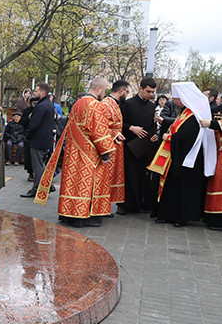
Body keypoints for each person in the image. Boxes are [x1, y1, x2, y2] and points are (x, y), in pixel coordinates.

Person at [34, 77, 115, 228]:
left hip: (73, 152)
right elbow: (98, 132)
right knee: (86, 186)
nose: (104, 94)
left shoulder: (78, 103)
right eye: (104, 91)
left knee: (73, 185)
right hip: (89, 154)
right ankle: (82, 218)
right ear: (99, 89)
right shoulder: (95, 105)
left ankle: (68, 216)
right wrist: (106, 153)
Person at [149, 82, 215, 227]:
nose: (174, 101)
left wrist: (170, 138)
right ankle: (167, 214)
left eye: (176, 98)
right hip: (178, 155)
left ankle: (180, 217)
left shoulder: (194, 114)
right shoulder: (185, 111)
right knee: (172, 186)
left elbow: (189, 136)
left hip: (189, 157)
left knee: (184, 189)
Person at [119, 77, 159, 215]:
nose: (150, 95)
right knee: (129, 175)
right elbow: (118, 124)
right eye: (148, 91)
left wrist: (154, 135)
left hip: (145, 147)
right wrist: (131, 128)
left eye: (153, 92)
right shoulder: (127, 104)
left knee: (143, 175)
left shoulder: (152, 106)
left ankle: (139, 203)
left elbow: (152, 126)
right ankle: (125, 205)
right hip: (129, 145)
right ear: (141, 88)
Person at [99, 80, 129, 214]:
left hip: (116, 146)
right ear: (121, 91)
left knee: (111, 176)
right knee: (106, 176)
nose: (127, 95)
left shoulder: (115, 104)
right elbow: (100, 126)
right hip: (108, 146)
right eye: (127, 92)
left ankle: (105, 207)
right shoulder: (106, 104)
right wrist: (115, 134)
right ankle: (101, 207)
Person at [22, 83, 56, 198]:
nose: (34, 93)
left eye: (36, 91)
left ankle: (36, 188)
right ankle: (49, 185)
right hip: (44, 139)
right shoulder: (48, 104)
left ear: (42, 93)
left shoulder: (41, 106)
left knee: (37, 166)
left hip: (38, 140)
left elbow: (34, 123)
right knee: (40, 165)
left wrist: (27, 134)